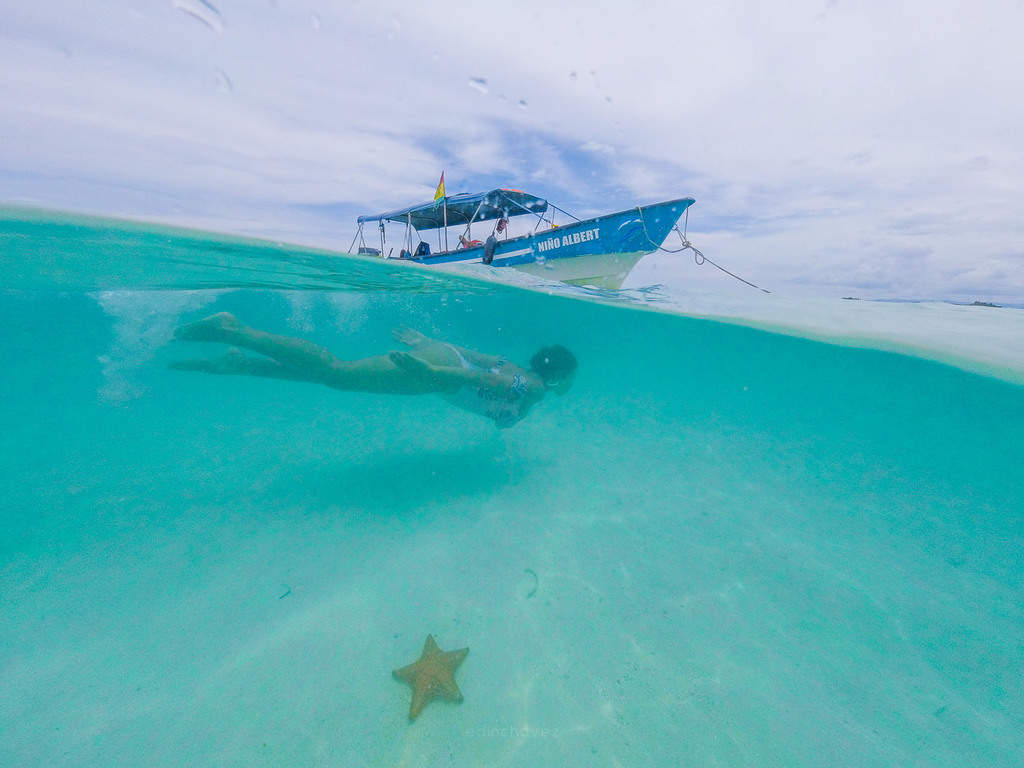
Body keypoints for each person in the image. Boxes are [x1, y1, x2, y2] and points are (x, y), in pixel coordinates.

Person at [170, 313, 577, 428]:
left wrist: (428, 343)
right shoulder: (536, 389)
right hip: (439, 375)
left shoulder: (524, 372)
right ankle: (238, 332)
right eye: (570, 378)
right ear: (558, 374)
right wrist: (430, 372)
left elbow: (483, 359)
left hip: (444, 359)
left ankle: (242, 365)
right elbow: (483, 378)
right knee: (337, 371)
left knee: (335, 378)